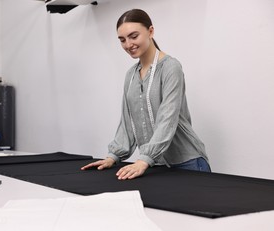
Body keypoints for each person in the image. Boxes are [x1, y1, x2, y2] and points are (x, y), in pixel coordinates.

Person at [81, 9, 210, 180]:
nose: (128, 44)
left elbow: (167, 118)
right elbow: (128, 121)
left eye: (134, 36)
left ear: (150, 31)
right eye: (122, 40)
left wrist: (145, 159)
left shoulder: (171, 67)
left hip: (187, 163)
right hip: (154, 165)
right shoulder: (131, 75)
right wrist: (113, 156)